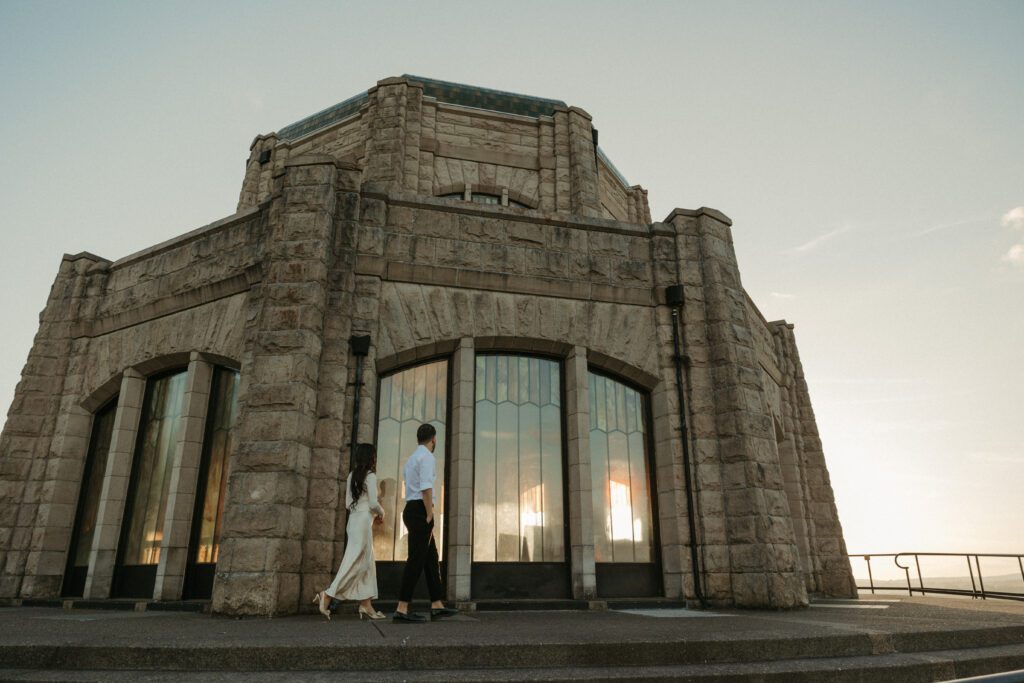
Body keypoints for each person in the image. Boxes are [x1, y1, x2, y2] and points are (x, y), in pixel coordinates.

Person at [313, 443, 386, 621]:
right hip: (364, 522)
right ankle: (328, 594)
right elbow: (373, 503)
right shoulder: (370, 476)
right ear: (371, 457)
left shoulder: (351, 476)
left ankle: (366, 604)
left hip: (353, 521)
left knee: (366, 563)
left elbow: (347, 504)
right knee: (354, 562)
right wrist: (382, 513)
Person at [392, 423, 458, 623]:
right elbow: (426, 488)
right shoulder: (427, 457)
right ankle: (402, 608)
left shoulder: (412, 458)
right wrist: (430, 514)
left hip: (412, 509)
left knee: (431, 558)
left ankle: (437, 604)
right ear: (433, 439)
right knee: (416, 559)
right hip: (421, 510)